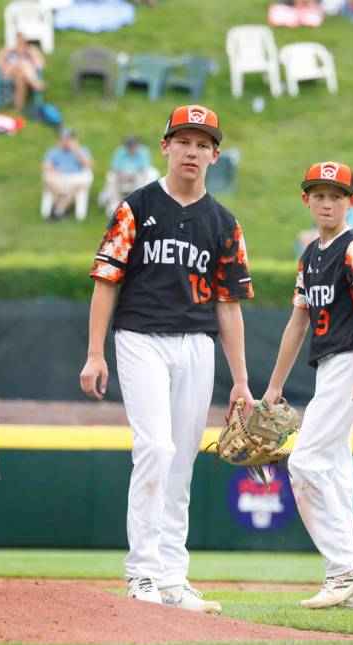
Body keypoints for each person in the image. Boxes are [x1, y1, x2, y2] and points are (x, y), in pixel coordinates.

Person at [79, 105, 254, 615]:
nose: (192, 151)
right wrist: (95, 353)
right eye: (183, 141)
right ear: (165, 146)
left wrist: (241, 381)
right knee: (155, 448)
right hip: (140, 338)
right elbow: (105, 280)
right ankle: (142, 573)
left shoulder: (224, 222)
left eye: (202, 143)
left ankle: (173, 576)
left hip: (197, 345)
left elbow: (229, 305)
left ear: (215, 155)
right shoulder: (135, 208)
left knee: (181, 460)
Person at [261, 161, 353, 609]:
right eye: (318, 194)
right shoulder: (311, 254)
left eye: (335, 195)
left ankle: (349, 568)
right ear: (306, 200)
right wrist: (274, 388)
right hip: (328, 367)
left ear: (352, 201)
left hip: (351, 363)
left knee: (306, 464)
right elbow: (298, 323)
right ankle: (350, 587)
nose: (326, 202)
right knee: (334, 473)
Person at [98, 135, 159, 218]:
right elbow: (115, 168)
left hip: (136, 176)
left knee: (147, 174)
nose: (131, 149)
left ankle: (137, 200)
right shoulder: (120, 152)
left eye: (133, 146)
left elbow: (144, 169)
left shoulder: (143, 151)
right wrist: (120, 175)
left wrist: (131, 176)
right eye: (129, 147)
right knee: (111, 177)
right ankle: (113, 200)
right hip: (122, 176)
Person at [42, 127, 93, 220]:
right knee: (47, 179)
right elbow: (45, 166)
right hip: (59, 176)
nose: (64, 142)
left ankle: (59, 210)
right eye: (62, 139)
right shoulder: (53, 152)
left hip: (75, 176)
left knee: (79, 183)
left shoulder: (81, 150)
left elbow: (88, 164)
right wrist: (54, 168)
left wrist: (76, 150)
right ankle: (60, 206)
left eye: (67, 139)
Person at [0, 32, 46, 113]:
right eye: (18, 39)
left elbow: (40, 64)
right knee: (23, 63)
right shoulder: (8, 50)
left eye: (22, 39)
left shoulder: (31, 50)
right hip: (9, 72)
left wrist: (32, 55)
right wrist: (16, 63)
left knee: (21, 77)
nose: (20, 41)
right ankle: (34, 82)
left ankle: (18, 108)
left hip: (21, 74)